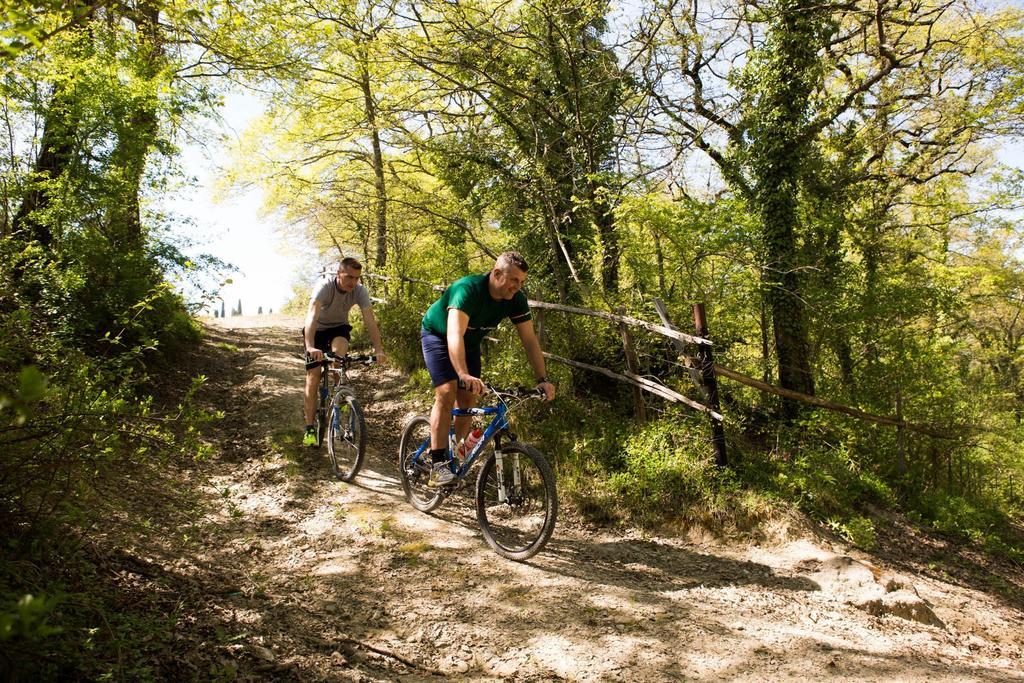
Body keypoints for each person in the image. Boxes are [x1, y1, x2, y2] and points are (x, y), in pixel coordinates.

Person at [420, 251, 555, 485]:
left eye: (522, 282)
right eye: (514, 280)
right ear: (496, 273)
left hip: (469, 343)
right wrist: (462, 373)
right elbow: (454, 334)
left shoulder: (516, 300)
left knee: (468, 399)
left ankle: (453, 451)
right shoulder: (468, 289)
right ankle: (437, 463)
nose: (518, 286)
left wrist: (542, 378)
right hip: (439, 336)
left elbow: (530, 340)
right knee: (446, 391)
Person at [302, 257, 386, 446]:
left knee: (338, 359)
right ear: (338, 273)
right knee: (314, 375)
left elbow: (370, 320)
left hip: (339, 329)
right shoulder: (324, 286)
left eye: (356, 278)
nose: (353, 282)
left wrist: (378, 349)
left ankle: (340, 397)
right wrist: (310, 346)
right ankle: (309, 428)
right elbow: (312, 315)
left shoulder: (359, 291)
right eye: (349, 277)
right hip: (317, 330)